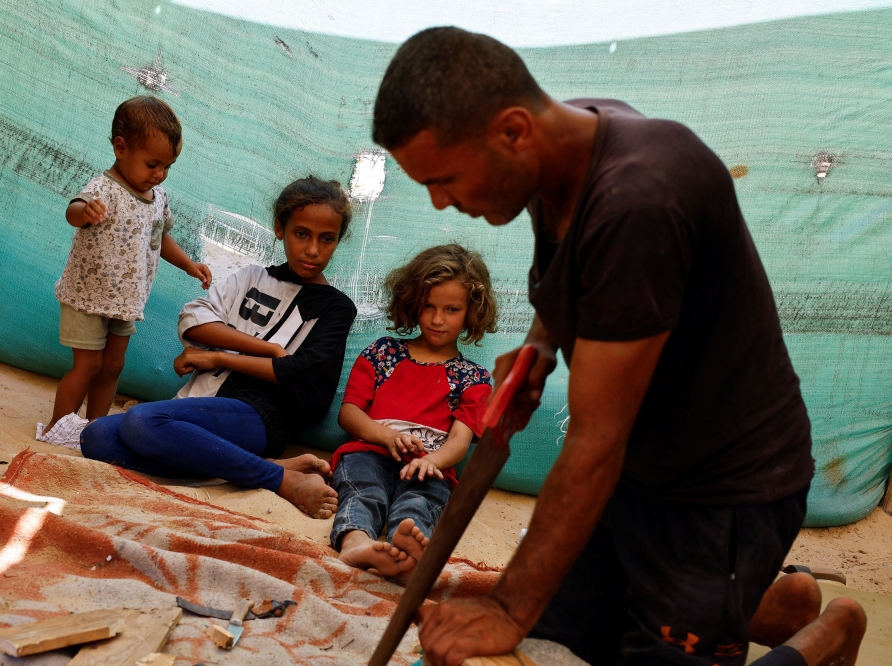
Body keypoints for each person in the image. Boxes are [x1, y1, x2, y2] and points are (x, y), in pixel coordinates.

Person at [369, 27, 867, 666]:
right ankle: (760, 607)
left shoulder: (639, 198)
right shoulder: (567, 146)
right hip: (639, 471)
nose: (442, 201)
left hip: (724, 494)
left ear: (514, 131)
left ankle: (823, 636)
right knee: (568, 638)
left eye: (444, 179)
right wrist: (540, 348)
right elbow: (579, 274)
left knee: (551, 627)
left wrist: (507, 607)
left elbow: (596, 438)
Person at [80, 176, 357, 519]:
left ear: (337, 241)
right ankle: (254, 466)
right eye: (302, 234)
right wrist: (265, 348)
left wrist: (216, 355)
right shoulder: (252, 277)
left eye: (326, 239)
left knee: (140, 421)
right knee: (95, 437)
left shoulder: (336, 308)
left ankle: (279, 479)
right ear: (279, 228)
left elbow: (306, 377)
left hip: (258, 417)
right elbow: (194, 319)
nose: (313, 249)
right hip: (203, 403)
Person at [42, 96, 212, 438]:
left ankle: (94, 430)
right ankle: (57, 429)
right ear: (121, 148)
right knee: (88, 364)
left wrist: (189, 265)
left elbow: (160, 238)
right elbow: (74, 210)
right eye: (152, 164)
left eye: (167, 167)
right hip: (88, 295)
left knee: (112, 366)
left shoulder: (159, 197)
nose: (159, 174)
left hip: (126, 302)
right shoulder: (104, 188)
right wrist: (85, 212)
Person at [329, 244, 496, 581]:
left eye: (451, 309)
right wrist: (386, 436)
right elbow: (349, 414)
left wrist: (430, 462)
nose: (437, 319)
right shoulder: (382, 352)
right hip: (369, 452)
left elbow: (460, 442)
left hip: (428, 467)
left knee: (421, 503)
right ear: (411, 301)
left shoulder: (474, 378)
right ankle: (355, 542)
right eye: (428, 306)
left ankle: (408, 557)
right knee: (363, 490)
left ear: (471, 312)